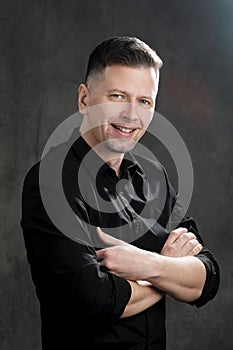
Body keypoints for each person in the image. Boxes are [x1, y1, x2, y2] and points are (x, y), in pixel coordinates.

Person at [21, 36, 220, 350]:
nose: (131, 115)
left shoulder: (156, 177)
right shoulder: (50, 183)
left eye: (145, 101)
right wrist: (169, 271)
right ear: (84, 99)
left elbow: (208, 277)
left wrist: (148, 265)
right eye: (117, 96)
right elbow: (95, 302)